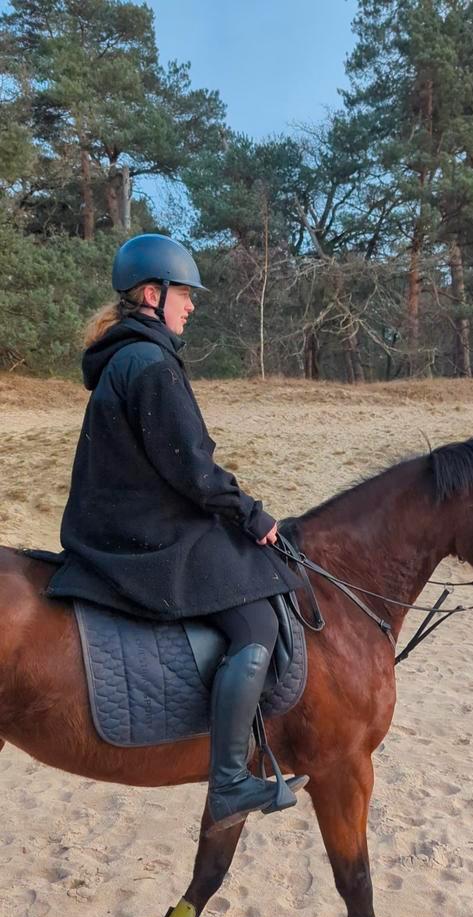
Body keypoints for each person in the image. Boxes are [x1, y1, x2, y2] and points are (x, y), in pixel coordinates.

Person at [46, 233, 308, 831]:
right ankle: (230, 783)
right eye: (183, 294)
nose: (190, 305)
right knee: (257, 619)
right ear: (150, 293)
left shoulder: (128, 357)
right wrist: (253, 515)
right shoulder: (149, 363)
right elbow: (194, 469)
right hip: (141, 535)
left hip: (122, 521)